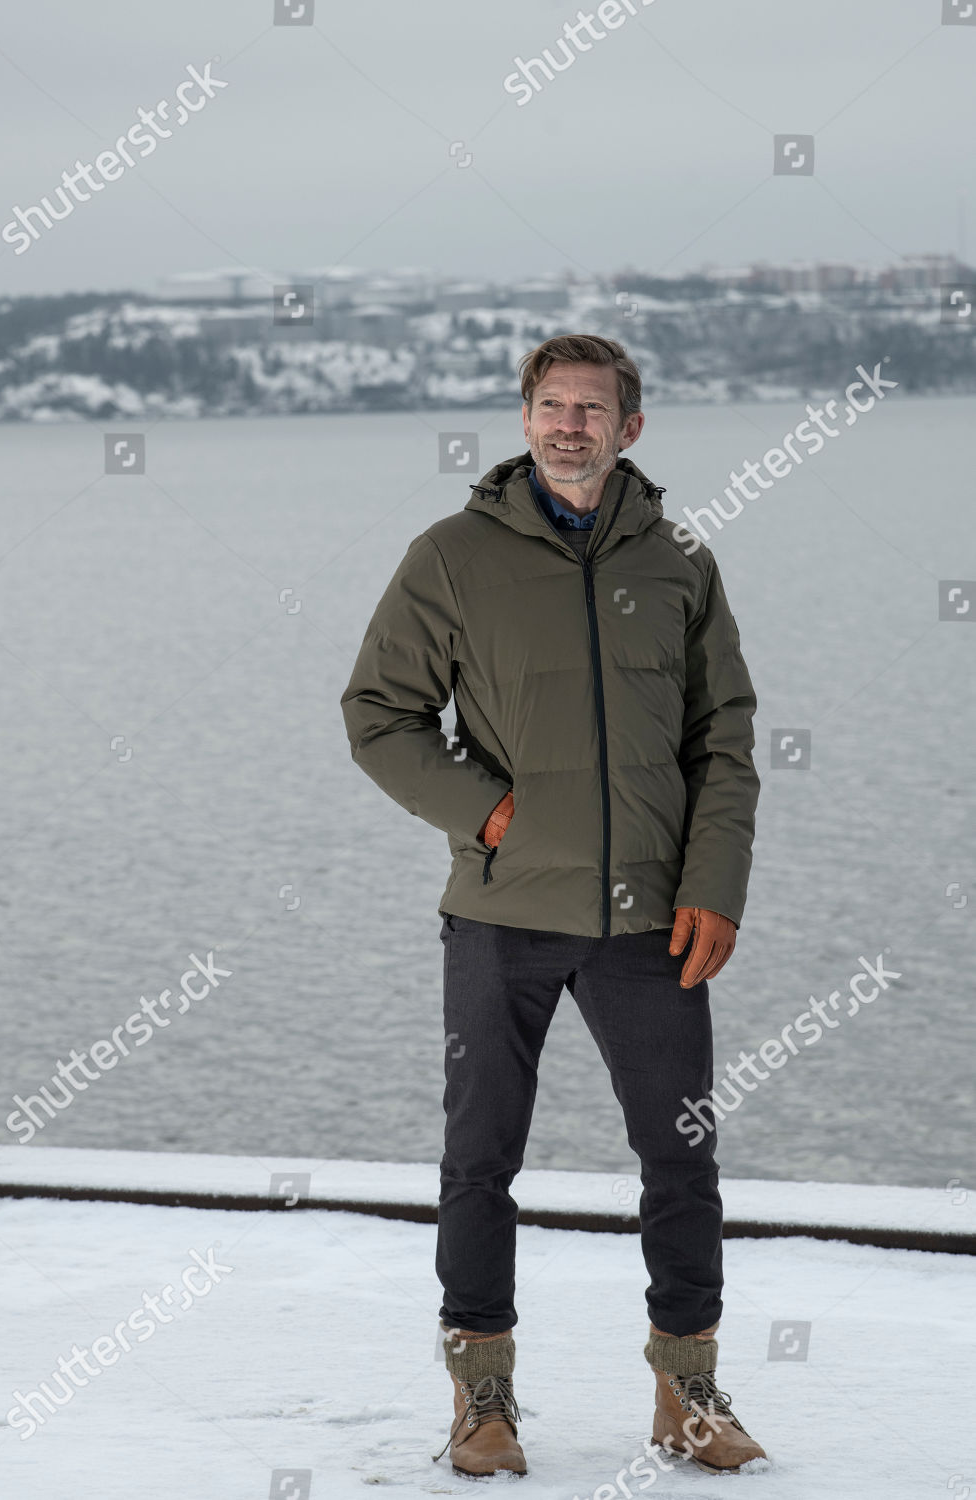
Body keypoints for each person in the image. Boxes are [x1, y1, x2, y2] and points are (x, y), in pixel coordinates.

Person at [340, 334, 766, 1479]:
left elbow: (721, 741)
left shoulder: (679, 559)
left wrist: (714, 886)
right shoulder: (451, 558)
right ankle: (483, 1398)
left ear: (632, 428)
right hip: (499, 916)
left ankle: (687, 1393)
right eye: (550, 405)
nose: (570, 424)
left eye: (594, 408)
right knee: (479, 1158)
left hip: (651, 921)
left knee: (680, 1159)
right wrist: (488, 818)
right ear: (524, 418)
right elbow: (378, 714)